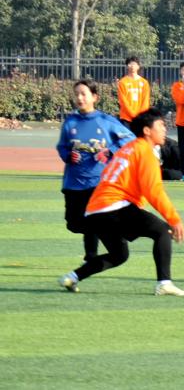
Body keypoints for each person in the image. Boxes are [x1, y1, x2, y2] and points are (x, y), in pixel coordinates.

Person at [58, 108, 184, 297]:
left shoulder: (128, 149)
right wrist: (174, 219)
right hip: (114, 206)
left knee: (119, 255)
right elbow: (153, 191)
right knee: (163, 231)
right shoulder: (144, 151)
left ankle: (72, 277)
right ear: (147, 130)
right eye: (161, 125)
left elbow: (112, 176)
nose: (164, 129)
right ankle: (164, 283)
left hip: (96, 209)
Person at [56, 79, 135, 264]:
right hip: (74, 183)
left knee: (92, 219)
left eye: (83, 94)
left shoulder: (106, 121)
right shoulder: (70, 122)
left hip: (98, 182)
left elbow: (130, 139)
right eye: (77, 94)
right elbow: (62, 146)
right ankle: (111, 234)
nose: (79, 98)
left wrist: (110, 150)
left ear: (94, 97)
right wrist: (68, 155)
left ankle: (90, 256)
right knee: (74, 224)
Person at [117, 55, 150, 126]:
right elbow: (123, 102)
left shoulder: (144, 83)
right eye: (130, 64)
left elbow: (145, 102)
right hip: (126, 118)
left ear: (138, 66)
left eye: (134, 64)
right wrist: (133, 115)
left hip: (140, 118)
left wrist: (141, 115)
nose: (132, 66)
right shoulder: (122, 82)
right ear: (127, 66)